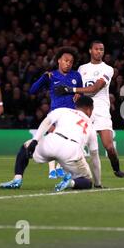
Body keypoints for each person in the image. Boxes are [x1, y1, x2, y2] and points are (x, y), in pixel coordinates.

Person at [56, 41, 124, 178]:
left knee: (109, 147)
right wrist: (76, 93)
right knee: (76, 144)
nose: (99, 52)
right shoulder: (81, 69)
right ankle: (66, 170)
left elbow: (94, 88)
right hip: (84, 111)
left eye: (102, 50)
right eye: (96, 49)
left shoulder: (108, 69)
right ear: (90, 50)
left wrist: (70, 90)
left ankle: (117, 170)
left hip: (101, 111)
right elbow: (80, 87)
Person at [0, 96, 102, 192]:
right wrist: (97, 183)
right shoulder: (91, 127)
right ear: (89, 109)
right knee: (87, 181)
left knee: (25, 147)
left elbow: (47, 122)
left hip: (53, 140)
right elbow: (94, 158)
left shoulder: (63, 110)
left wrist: (35, 140)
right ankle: (70, 183)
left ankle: (17, 179)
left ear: (76, 106)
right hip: (71, 150)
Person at [29, 46, 82, 179]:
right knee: (52, 140)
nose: (68, 63)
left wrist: (79, 94)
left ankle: (59, 168)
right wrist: (43, 77)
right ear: (59, 60)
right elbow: (32, 90)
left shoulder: (76, 75)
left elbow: (81, 90)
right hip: (55, 114)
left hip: (71, 115)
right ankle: (52, 170)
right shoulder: (51, 75)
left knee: (67, 143)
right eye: (65, 60)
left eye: (70, 61)